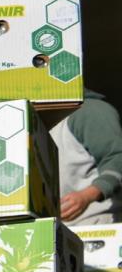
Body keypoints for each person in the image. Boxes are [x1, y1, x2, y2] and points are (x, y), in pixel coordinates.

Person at [52, 90, 122, 225]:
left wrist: (87, 195)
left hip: (99, 223)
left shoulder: (90, 111)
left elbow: (117, 157)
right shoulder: (32, 122)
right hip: (57, 231)